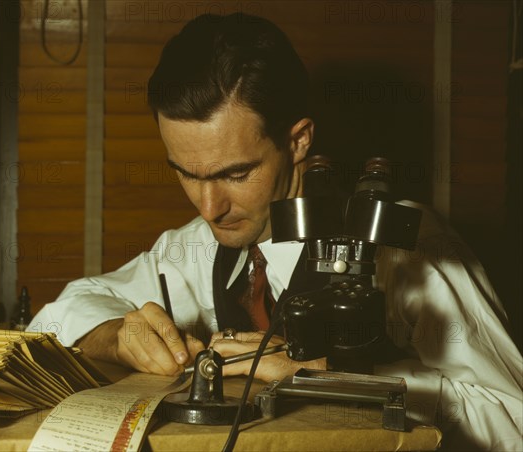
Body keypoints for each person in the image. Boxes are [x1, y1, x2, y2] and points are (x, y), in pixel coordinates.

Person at [28, 13, 522, 450]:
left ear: (299, 140)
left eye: (235, 174)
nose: (209, 207)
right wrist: (115, 335)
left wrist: (333, 378)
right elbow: (59, 315)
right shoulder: (197, 248)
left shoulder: (404, 247)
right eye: (186, 173)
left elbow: (510, 420)